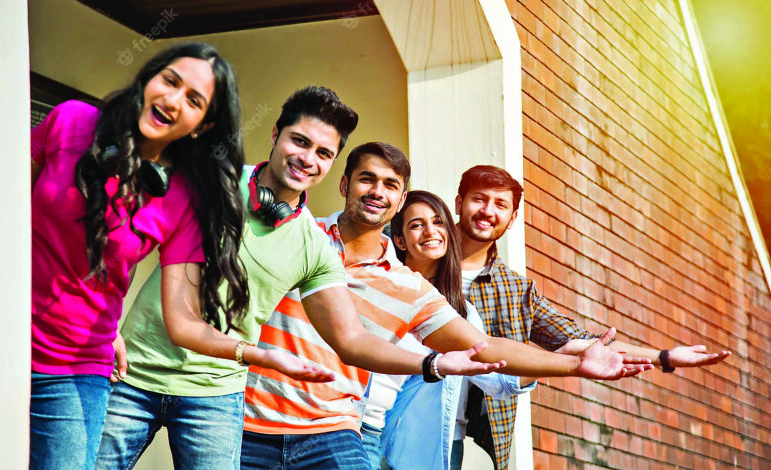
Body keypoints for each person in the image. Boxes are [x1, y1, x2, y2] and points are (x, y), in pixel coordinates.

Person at [96, 87, 502, 470]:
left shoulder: (313, 246)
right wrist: (107, 323)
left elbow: (352, 340)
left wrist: (431, 362)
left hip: (217, 393)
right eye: (300, 142)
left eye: (324, 152)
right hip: (134, 373)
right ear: (275, 134)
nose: (309, 158)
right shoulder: (212, 182)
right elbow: (122, 239)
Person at [241, 143, 653, 470]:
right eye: (367, 180)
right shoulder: (297, 235)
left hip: (331, 434)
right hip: (245, 425)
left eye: (390, 186)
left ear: (399, 200)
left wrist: (575, 366)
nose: (377, 192)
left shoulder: (409, 288)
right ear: (345, 185)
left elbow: (485, 347)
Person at [29, 42, 251, 470]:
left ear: (202, 126)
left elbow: (183, 320)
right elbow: (3, 202)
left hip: (74, 367)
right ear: (149, 78)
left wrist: (256, 355)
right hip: (3, 334)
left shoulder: (183, 197)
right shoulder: (71, 120)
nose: (172, 99)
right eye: (170, 81)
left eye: (194, 100)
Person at [455, 165, 733, 469]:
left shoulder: (516, 290)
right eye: (479, 199)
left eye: (500, 204)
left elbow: (583, 343)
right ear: (459, 204)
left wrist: (663, 356)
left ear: (513, 219)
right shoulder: (419, 257)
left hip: (460, 436)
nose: (487, 211)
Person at [360, 190, 536, 470]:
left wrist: (557, 360)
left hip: (421, 449)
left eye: (438, 222)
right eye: (416, 224)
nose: (430, 230)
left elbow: (497, 379)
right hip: (359, 430)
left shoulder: (461, 312)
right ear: (399, 241)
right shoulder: (378, 287)